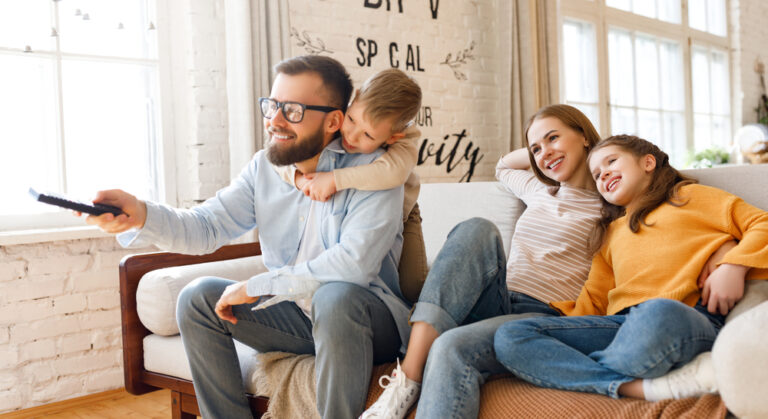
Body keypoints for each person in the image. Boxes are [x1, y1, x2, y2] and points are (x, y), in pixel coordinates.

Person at [83, 55, 411, 419]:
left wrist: (259, 284)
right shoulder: (265, 169)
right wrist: (141, 214)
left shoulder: (375, 172)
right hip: (298, 317)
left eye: (292, 110)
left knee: (335, 296)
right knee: (197, 298)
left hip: (364, 320)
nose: (274, 120)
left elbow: (354, 265)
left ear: (334, 120)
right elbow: (206, 227)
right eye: (271, 106)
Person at [362, 104, 605, 419]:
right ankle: (406, 378)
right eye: (536, 148)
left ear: (584, 137)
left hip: (540, 315)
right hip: (498, 298)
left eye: (553, 138)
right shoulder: (540, 189)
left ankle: (412, 366)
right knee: (478, 228)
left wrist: (601, 152)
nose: (544, 152)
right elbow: (504, 166)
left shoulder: (610, 204)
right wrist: (546, 151)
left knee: (450, 346)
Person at [493, 134, 768, 402]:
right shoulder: (608, 234)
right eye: (597, 175)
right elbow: (593, 302)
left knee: (658, 312)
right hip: (620, 326)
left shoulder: (691, 196)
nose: (604, 175)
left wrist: (733, 266)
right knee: (510, 336)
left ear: (647, 163)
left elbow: (761, 223)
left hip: (681, 317)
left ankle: (577, 371)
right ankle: (638, 388)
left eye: (611, 162)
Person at [274, 68, 428, 304]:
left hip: (403, 215)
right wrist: (299, 179)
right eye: (353, 120)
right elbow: (280, 157)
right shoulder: (337, 118)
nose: (352, 136)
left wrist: (334, 179)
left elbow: (392, 173)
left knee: (411, 286)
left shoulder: (405, 140)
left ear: (392, 138)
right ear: (354, 99)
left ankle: (424, 325)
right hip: (350, 208)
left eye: (367, 135)